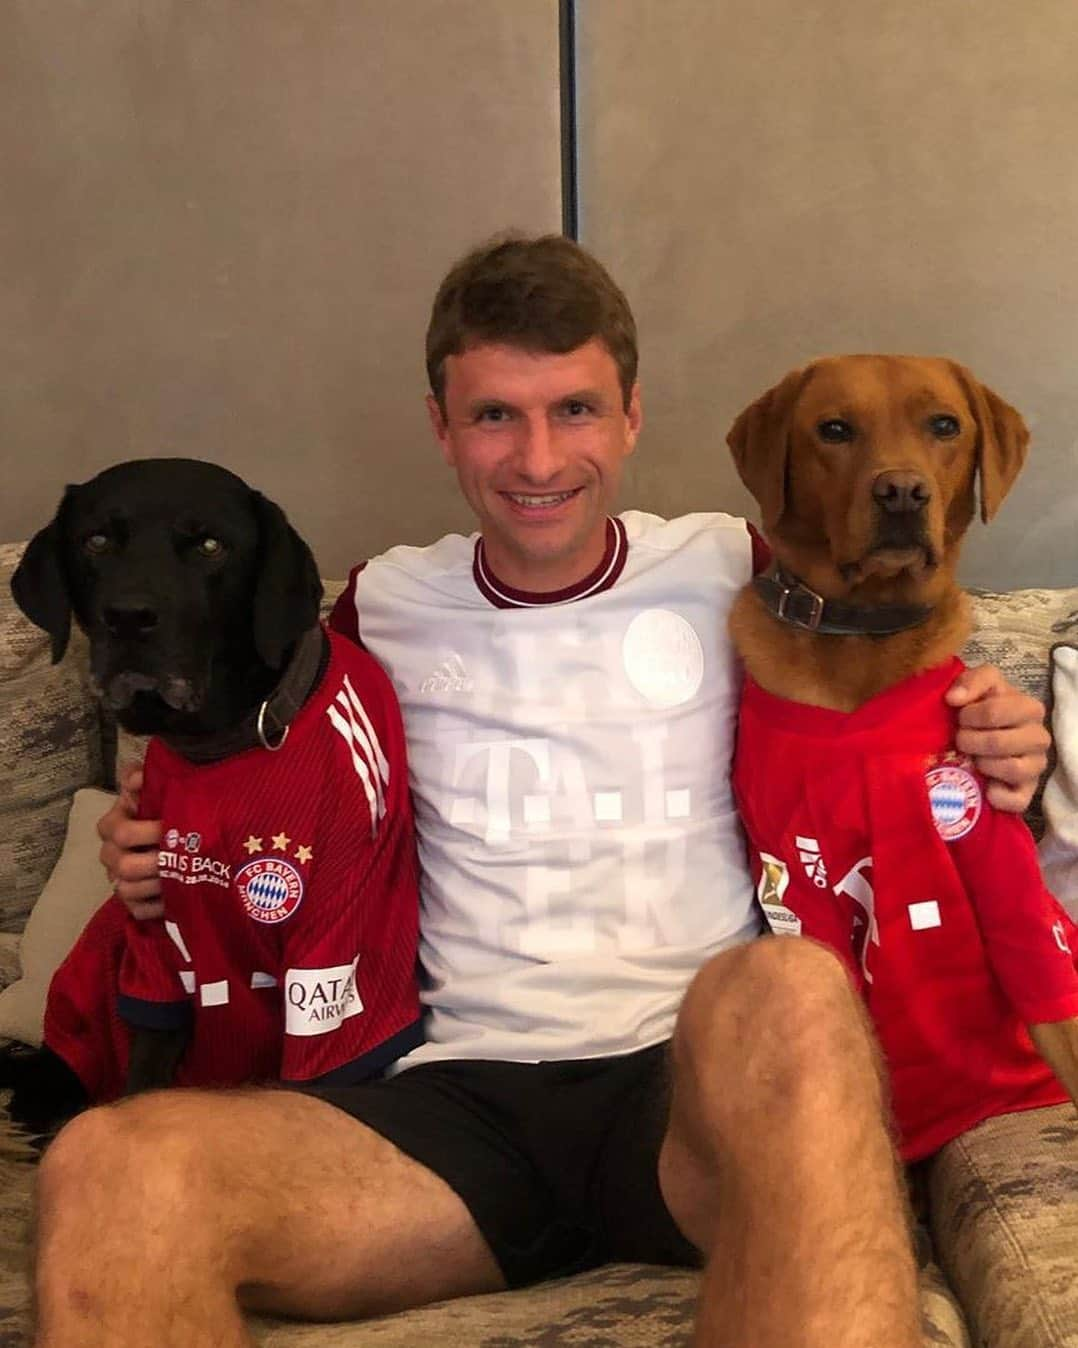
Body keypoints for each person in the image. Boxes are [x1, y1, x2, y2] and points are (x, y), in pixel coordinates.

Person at [33, 236, 1050, 1348]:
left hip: (691, 1096)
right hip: (451, 1109)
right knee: (110, 1165)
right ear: (440, 425)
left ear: (630, 416)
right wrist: (151, 839)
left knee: (798, 994)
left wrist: (999, 724)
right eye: (493, 416)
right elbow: (247, 761)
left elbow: (896, 666)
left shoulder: (733, 565)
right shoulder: (381, 605)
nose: (536, 457)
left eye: (573, 409)